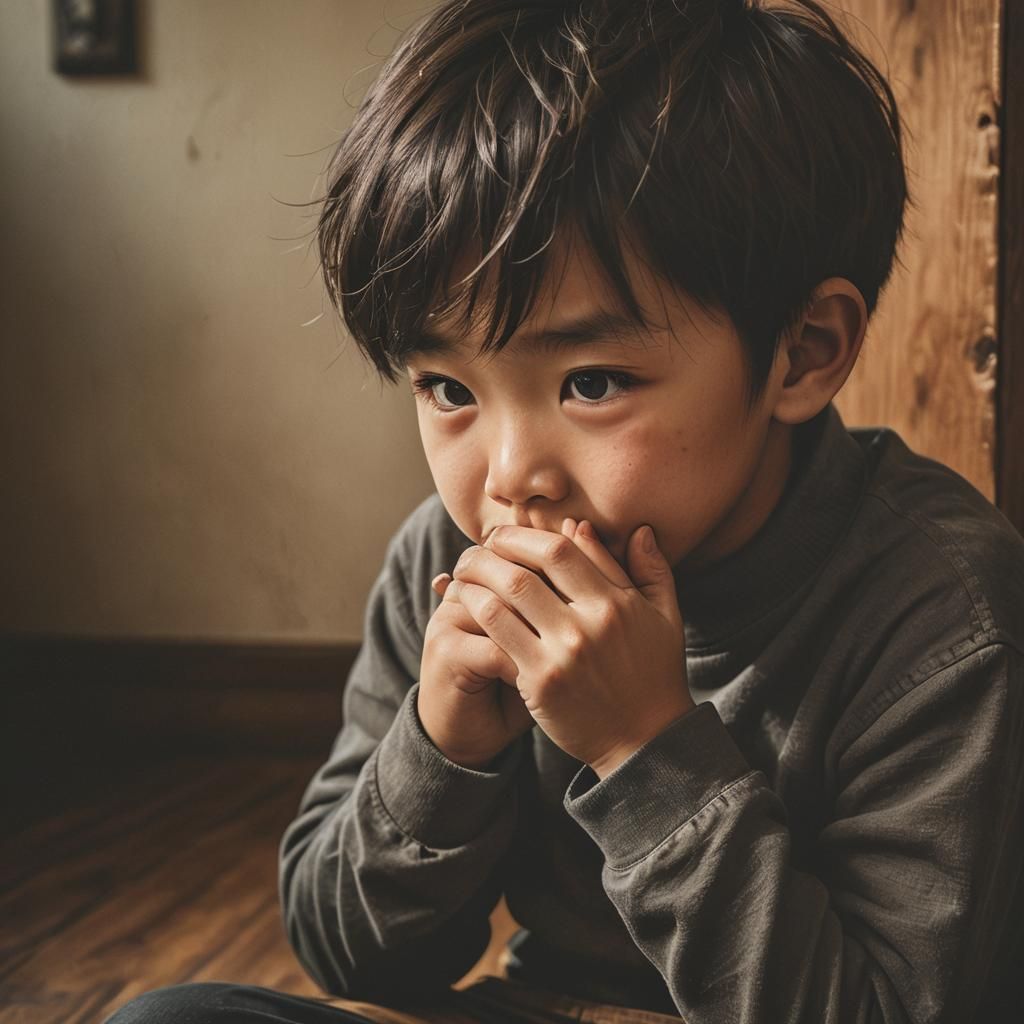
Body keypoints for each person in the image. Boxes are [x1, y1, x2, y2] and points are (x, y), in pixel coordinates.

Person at [104, 0, 1024, 1022]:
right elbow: (349, 958)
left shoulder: (939, 614)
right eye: (447, 388)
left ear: (803, 349)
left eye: (589, 382)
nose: (508, 477)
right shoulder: (447, 561)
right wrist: (442, 744)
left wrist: (644, 750)